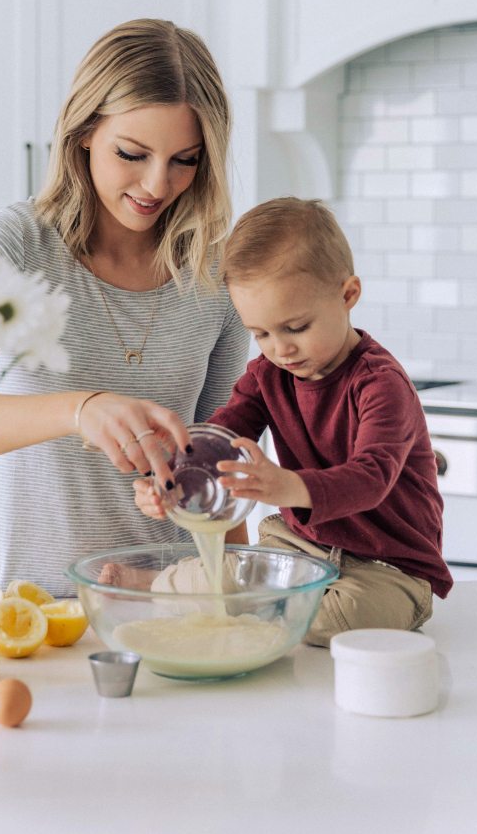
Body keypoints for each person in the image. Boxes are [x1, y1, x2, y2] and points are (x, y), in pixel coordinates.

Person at [0, 18, 250, 598]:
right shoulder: (21, 244)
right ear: (83, 133)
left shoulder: (215, 275)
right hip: (16, 609)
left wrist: (239, 598)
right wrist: (80, 409)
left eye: (186, 160)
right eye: (132, 153)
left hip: (158, 605)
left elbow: (218, 474)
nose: (157, 183)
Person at [133, 196, 453, 647]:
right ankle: (151, 585)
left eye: (296, 327)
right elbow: (223, 436)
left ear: (347, 295)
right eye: (260, 333)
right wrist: (168, 477)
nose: (279, 349)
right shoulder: (268, 375)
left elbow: (371, 478)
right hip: (300, 548)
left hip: (389, 567)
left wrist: (288, 487)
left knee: (339, 620)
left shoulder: (381, 385)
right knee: (227, 574)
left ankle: (244, 606)